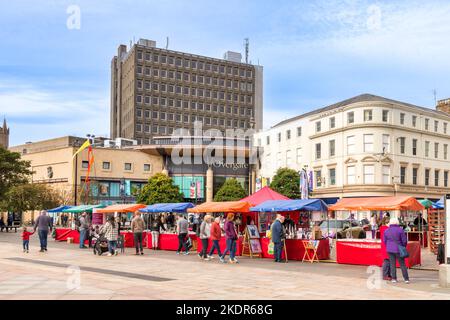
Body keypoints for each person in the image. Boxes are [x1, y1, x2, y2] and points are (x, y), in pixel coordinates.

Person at [384, 217, 410, 283]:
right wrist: (403, 246)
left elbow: (384, 241)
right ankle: (406, 279)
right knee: (402, 264)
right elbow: (404, 241)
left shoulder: (386, 230)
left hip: (390, 249)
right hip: (398, 249)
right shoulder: (400, 230)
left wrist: (389, 246)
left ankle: (394, 279)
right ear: (397, 222)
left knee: (392, 264)